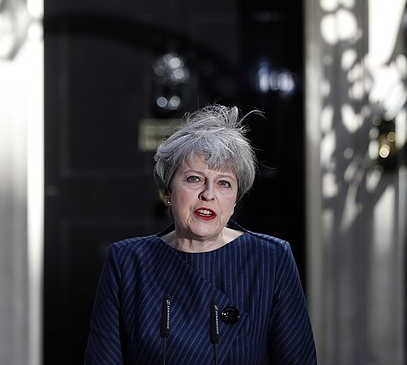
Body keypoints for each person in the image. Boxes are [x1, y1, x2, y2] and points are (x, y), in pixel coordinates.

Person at [84, 104, 317, 364]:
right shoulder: (127, 261)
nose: (208, 194)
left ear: (235, 200)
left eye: (224, 183)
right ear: (167, 193)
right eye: (194, 179)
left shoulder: (271, 259)